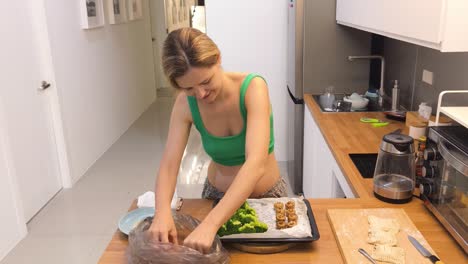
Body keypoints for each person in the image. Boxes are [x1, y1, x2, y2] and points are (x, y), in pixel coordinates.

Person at [149, 27, 287, 254]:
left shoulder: (253, 88)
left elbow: (255, 164)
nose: (201, 94)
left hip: (267, 197)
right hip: (214, 198)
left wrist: (211, 224)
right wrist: (161, 212)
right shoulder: (185, 104)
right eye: (189, 88)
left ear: (218, 58)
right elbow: (169, 165)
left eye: (205, 81)